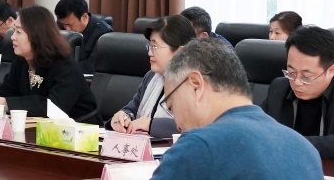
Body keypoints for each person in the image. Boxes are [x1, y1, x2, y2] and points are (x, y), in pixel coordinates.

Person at [151, 38, 322, 179]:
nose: (177, 124)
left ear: (196, 84)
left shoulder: (199, 146)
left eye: (172, 106)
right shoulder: (306, 150)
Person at [0, 5, 96, 119]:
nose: (12, 37)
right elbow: (5, 91)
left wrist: (7, 104)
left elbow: (53, 107)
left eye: (18, 32)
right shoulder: (22, 62)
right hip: (39, 128)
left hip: (82, 129)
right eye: (14, 31)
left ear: (37, 35)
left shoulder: (64, 66)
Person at [109, 15, 196, 139]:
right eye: (150, 46)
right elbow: (132, 108)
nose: (150, 53)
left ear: (180, 52)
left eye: (155, 46)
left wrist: (150, 124)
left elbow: (196, 126)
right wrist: (123, 117)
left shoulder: (195, 83)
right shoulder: (151, 76)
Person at [265, 25, 334, 158]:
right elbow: (258, 126)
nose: (296, 82)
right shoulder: (279, 88)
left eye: (306, 77)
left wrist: (288, 142)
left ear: (331, 71)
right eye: (291, 73)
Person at [53, 0, 112, 73]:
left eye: (69, 25)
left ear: (84, 17)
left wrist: (62, 68)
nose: (67, 29)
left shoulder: (103, 34)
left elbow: (91, 66)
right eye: (64, 25)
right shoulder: (61, 24)